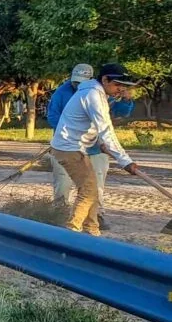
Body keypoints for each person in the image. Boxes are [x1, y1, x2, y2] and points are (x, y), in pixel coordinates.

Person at [50, 63, 139, 235]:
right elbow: (106, 129)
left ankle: (92, 230)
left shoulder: (96, 93)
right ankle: (71, 233)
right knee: (89, 191)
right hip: (69, 149)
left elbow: (85, 126)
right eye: (117, 85)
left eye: (123, 86)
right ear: (105, 80)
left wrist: (98, 145)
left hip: (77, 147)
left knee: (92, 189)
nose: (120, 89)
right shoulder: (93, 95)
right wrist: (125, 161)